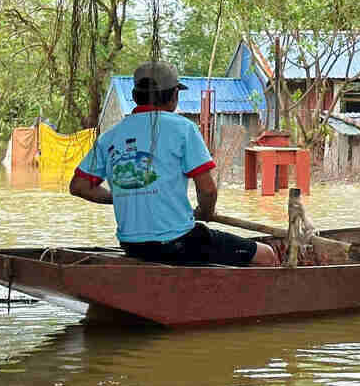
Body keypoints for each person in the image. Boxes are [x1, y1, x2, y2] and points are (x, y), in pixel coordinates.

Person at [69, 60, 278, 267]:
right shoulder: (183, 129)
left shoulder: (109, 137)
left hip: (132, 245)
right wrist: (206, 212)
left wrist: (124, 196)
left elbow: (79, 186)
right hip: (179, 243)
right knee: (266, 255)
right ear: (174, 97)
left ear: (134, 97)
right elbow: (207, 190)